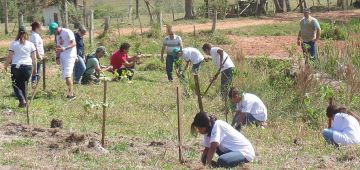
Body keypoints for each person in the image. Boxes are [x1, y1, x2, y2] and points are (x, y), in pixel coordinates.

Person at [191, 112, 255, 168]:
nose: (199, 130)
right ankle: (221, 164)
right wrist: (203, 160)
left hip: (244, 152)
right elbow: (207, 148)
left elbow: (213, 147)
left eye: (200, 128)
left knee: (222, 161)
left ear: (206, 125)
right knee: (205, 158)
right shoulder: (208, 131)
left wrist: (207, 166)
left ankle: (224, 164)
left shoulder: (217, 125)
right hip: (231, 151)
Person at [4, 26, 37, 108]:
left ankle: (22, 100)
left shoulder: (14, 44)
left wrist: (5, 66)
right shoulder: (31, 44)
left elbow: (9, 57)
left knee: (15, 85)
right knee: (24, 85)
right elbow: (34, 59)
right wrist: (35, 70)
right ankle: (23, 103)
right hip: (28, 67)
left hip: (16, 67)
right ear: (27, 34)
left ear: (18, 33)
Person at [49, 22, 77, 100]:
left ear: (56, 28)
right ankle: (70, 91)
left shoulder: (67, 32)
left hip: (70, 56)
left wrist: (65, 48)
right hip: (62, 56)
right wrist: (57, 57)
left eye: (53, 32)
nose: (54, 34)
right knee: (66, 75)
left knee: (67, 75)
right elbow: (58, 47)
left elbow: (74, 43)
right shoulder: (57, 36)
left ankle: (71, 95)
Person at [30, 21, 44, 86]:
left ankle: (35, 85)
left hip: (38, 55)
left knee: (38, 70)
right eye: (40, 27)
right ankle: (34, 85)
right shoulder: (34, 36)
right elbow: (35, 46)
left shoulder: (36, 35)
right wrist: (38, 55)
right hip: (37, 56)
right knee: (37, 71)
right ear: (36, 27)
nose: (41, 28)